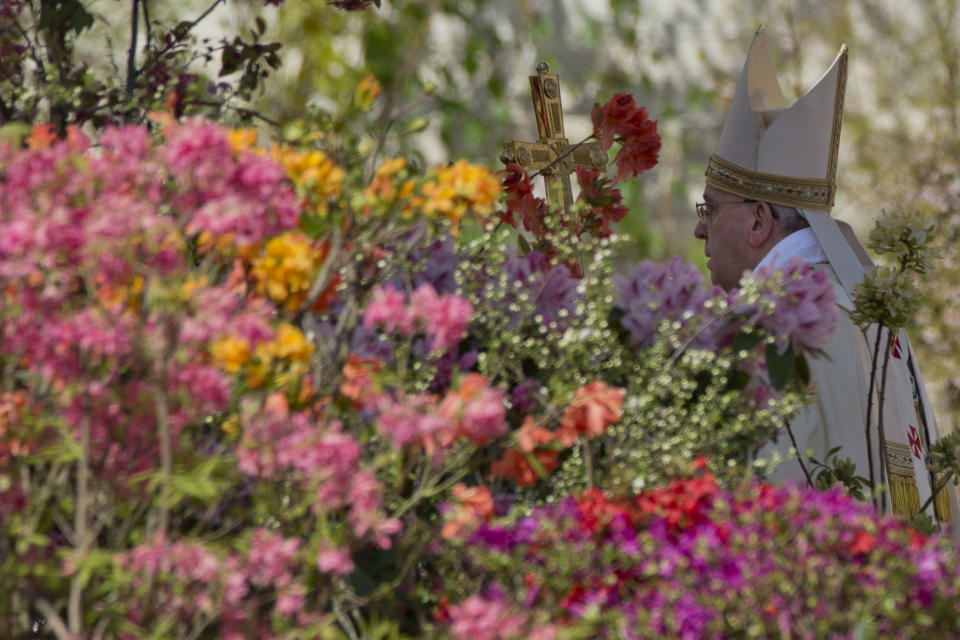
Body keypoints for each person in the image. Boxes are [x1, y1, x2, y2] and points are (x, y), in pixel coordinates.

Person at [695, 26, 960, 533]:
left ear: (757, 222)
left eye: (710, 208)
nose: (698, 227)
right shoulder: (871, 312)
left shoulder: (769, 327)